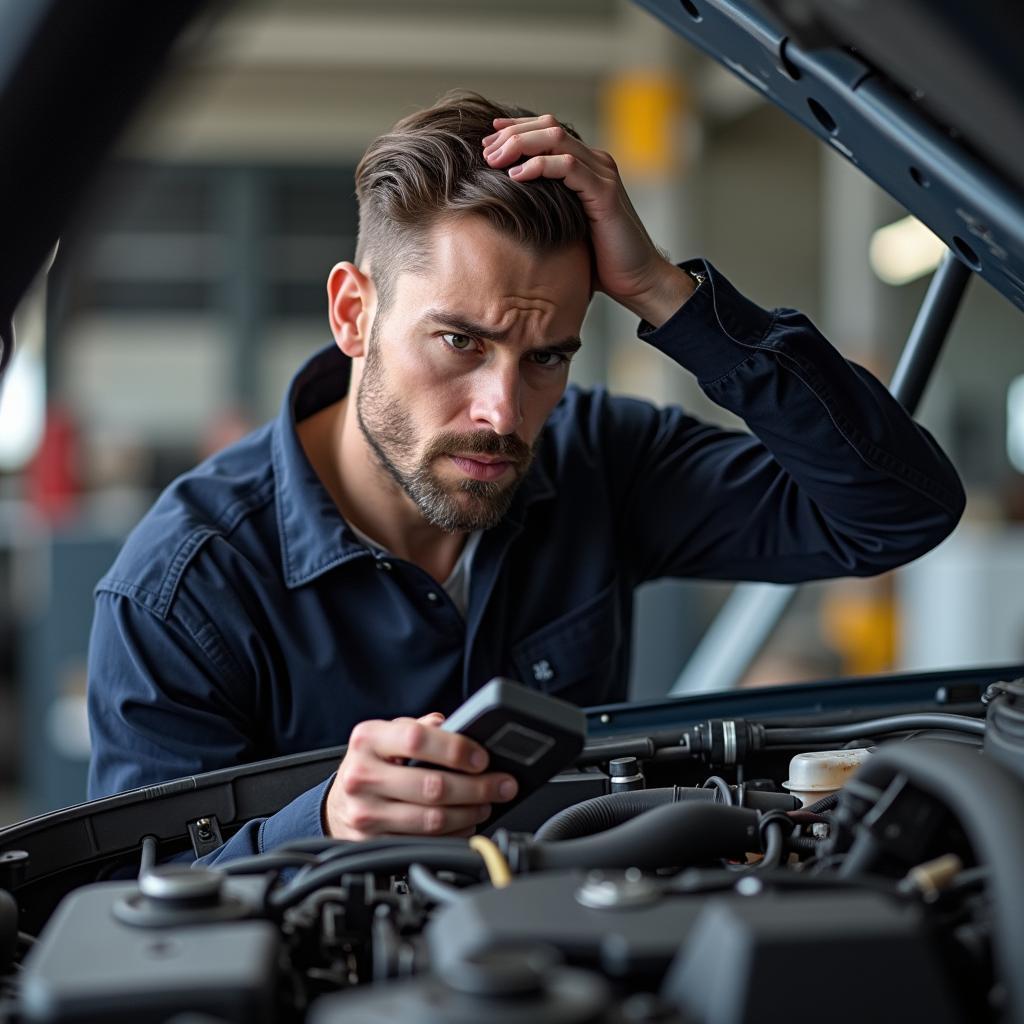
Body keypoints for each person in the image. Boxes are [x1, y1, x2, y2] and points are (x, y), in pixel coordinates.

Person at [86, 91, 964, 862]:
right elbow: (117, 913)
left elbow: (896, 511)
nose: (504, 414)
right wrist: (316, 824)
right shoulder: (183, 592)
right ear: (354, 313)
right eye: (461, 342)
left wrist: (667, 292)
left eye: (546, 357)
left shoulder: (596, 459)